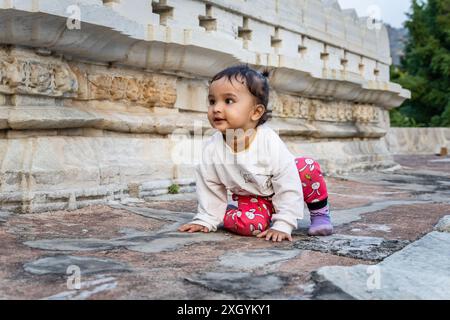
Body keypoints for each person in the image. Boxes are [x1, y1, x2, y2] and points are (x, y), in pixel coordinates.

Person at [178, 65, 332, 242]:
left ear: (256, 112)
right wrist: (207, 218)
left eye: (228, 101)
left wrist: (284, 223)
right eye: (212, 101)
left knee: (307, 167)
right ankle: (226, 212)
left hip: (288, 186)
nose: (216, 108)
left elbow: (288, 183)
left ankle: (320, 214)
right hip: (255, 197)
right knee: (250, 226)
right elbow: (209, 182)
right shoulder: (212, 148)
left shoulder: (268, 141)